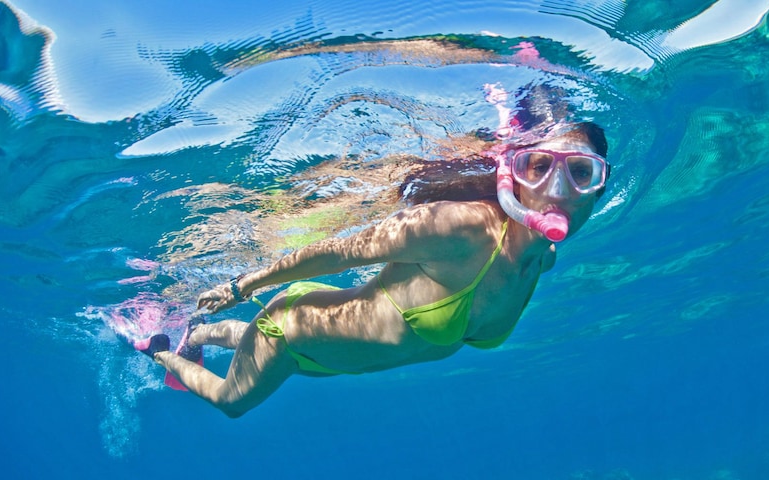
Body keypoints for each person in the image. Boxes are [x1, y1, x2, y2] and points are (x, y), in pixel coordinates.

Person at [137, 90, 610, 418]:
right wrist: (243, 285)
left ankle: (196, 333)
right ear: (513, 177)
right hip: (290, 329)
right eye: (539, 166)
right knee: (231, 402)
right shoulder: (461, 228)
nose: (557, 189)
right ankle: (163, 354)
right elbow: (338, 252)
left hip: (319, 359)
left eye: (581, 173)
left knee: (255, 347)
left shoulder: (540, 259)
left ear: (598, 188)